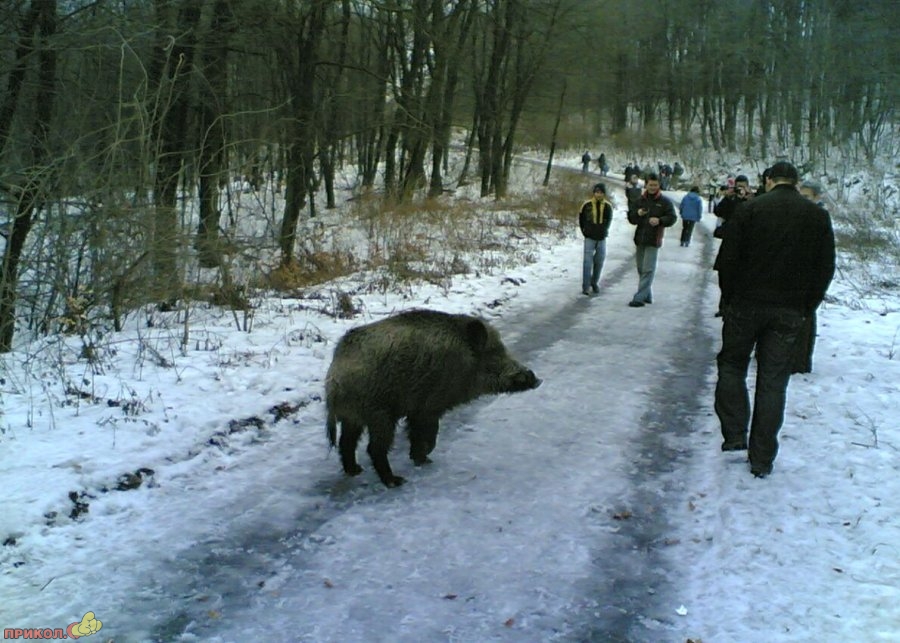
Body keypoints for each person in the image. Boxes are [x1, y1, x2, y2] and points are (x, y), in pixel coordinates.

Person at [714, 161, 835, 478]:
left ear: (768, 180)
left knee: (731, 365)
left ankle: (736, 434)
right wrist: (807, 306)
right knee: (773, 381)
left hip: (745, 305)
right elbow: (825, 268)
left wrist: (729, 298)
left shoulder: (751, 210)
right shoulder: (817, 216)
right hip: (789, 310)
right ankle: (762, 458)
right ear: (796, 183)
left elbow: (727, 259)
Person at [792, 179, 830, 374]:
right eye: (801, 195)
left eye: (807, 197)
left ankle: (801, 362)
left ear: (817, 197)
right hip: (793, 276)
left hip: (808, 280)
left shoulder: (820, 217)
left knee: (805, 321)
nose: (803, 200)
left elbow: (825, 257)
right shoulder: (796, 214)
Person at [626, 173, 676, 307]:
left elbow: (672, 218)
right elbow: (631, 218)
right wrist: (637, 214)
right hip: (640, 238)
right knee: (641, 269)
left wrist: (660, 220)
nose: (653, 187)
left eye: (655, 185)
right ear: (646, 185)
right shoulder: (640, 200)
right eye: (650, 185)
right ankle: (647, 294)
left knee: (648, 269)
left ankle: (639, 298)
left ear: (659, 185)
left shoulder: (665, 202)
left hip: (654, 239)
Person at [578, 182, 613, 295]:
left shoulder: (607, 206)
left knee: (599, 261)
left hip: (601, 238)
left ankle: (594, 282)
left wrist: (604, 230)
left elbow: (609, 220)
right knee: (587, 262)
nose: (599, 195)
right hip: (589, 237)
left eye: (601, 193)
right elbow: (581, 219)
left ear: (604, 194)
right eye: (597, 192)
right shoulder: (586, 205)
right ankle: (586, 286)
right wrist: (585, 232)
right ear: (594, 193)